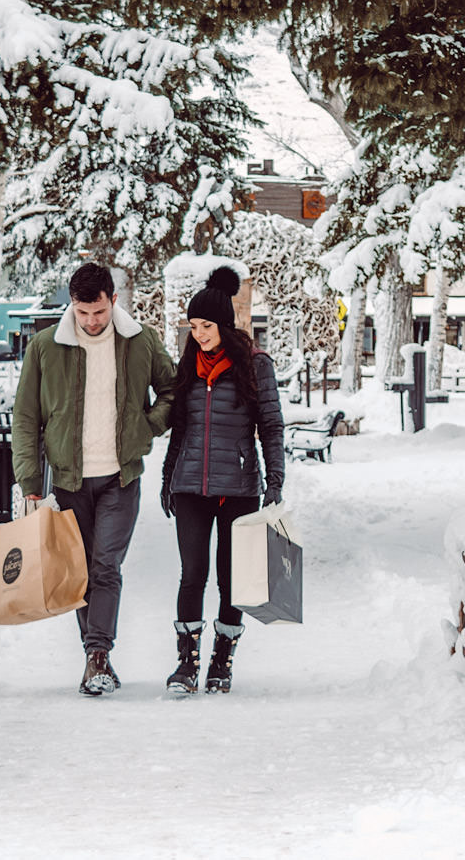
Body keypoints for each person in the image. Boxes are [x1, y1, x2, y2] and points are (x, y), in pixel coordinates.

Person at [12, 263, 177, 696]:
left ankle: (97, 655)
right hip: (69, 480)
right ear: (72, 305)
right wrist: (29, 477)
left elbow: (173, 390)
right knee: (79, 570)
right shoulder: (47, 347)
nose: (91, 321)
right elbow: (26, 416)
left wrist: (148, 427)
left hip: (120, 478)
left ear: (113, 300)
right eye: (83, 312)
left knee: (106, 565)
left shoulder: (140, 341)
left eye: (99, 311)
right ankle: (96, 656)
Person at [159, 266, 284, 696]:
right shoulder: (189, 366)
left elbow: (271, 427)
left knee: (232, 579)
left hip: (239, 487)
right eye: (193, 326)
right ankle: (186, 663)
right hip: (190, 485)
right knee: (192, 573)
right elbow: (180, 426)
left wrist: (276, 482)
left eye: (206, 326)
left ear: (224, 326)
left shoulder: (254, 366)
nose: (199, 334)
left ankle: (221, 660)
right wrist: (167, 476)